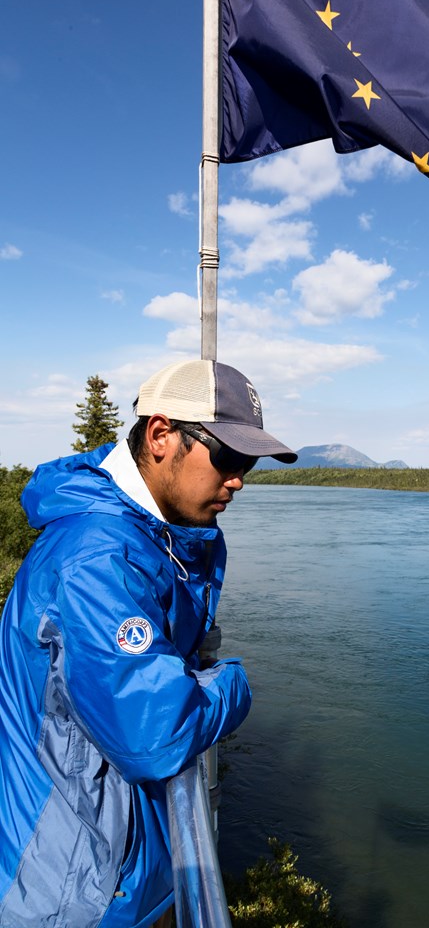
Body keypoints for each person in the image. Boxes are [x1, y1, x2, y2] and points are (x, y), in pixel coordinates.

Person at [0, 359, 297, 928]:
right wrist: (232, 684)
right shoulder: (99, 559)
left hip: (120, 868)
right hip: (72, 891)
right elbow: (157, 733)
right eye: (230, 459)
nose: (238, 480)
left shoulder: (150, 535)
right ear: (161, 435)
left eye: (250, 465)